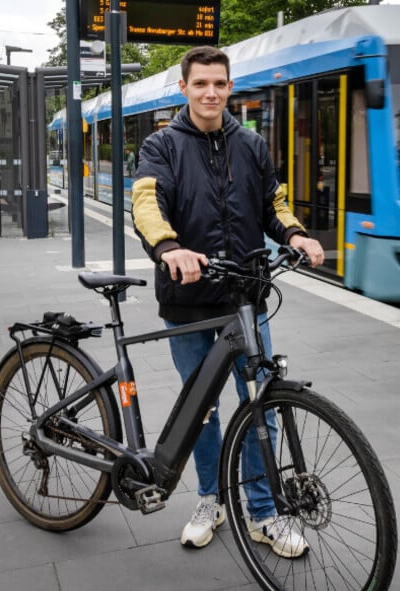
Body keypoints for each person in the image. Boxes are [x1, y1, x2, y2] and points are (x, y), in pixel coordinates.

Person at [131, 46, 325, 557]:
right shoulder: (161, 145)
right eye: (200, 84)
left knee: (261, 403)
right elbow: (147, 203)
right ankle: (210, 499)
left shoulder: (251, 145)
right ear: (184, 88)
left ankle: (263, 512)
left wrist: (296, 235)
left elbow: (273, 204)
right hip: (188, 299)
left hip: (247, 297)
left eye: (219, 83)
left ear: (230, 87)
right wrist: (169, 248)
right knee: (202, 410)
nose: (210, 92)